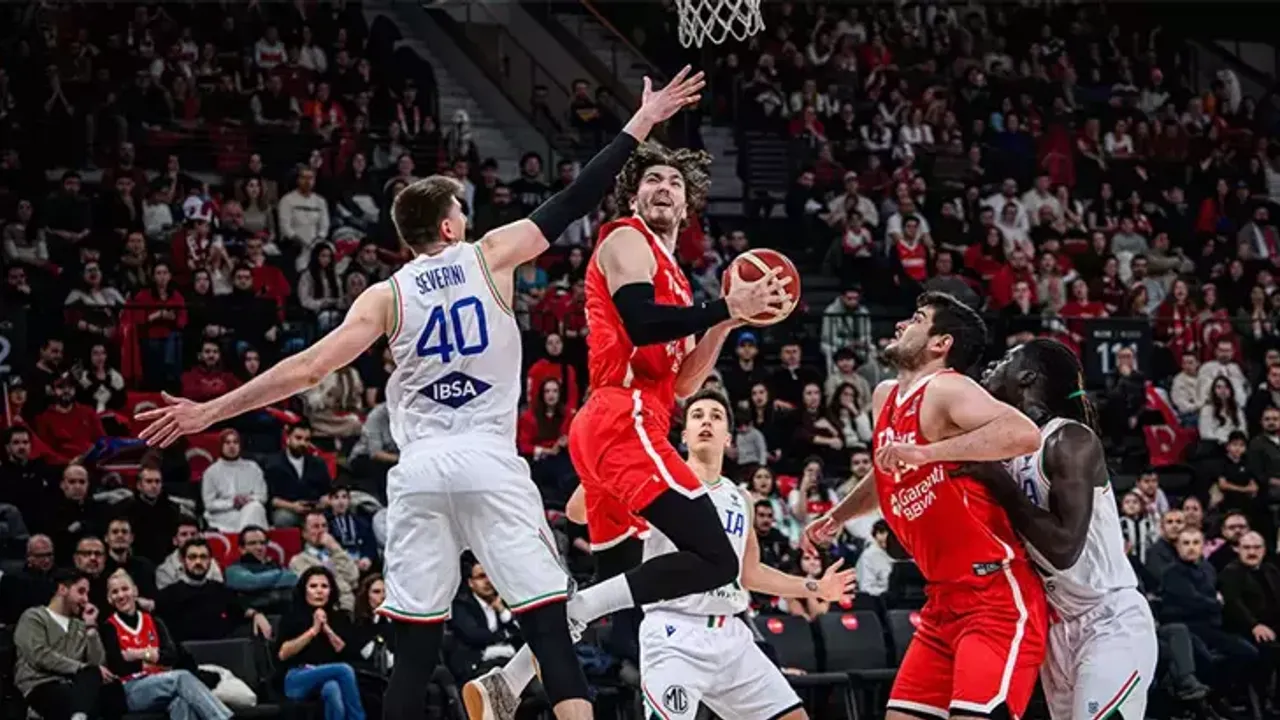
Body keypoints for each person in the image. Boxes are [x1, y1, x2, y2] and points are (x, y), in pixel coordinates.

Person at [136, 68, 708, 720]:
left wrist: (208, 412)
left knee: (413, 651)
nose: (469, 217)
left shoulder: (386, 296)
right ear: (447, 227)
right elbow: (579, 195)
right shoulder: (489, 255)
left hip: (421, 472)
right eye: (461, 210)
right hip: (488, 462)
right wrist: (643, 120)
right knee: (550, 631)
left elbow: (307, 369)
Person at [480, 390, 854, 720]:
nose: (706, 421)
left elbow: (750, 573)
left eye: (716, 416)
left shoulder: (740, 497)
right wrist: (604, 474)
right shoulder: (659, 481)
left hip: (731, 633)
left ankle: (510, 679)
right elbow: (578, 512)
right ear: (684, 434)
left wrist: (815, 587)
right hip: (674, 632)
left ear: (728, 437)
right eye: (697, 415)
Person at [802, 291, 1049, 720]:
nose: (901, 325)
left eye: (916, 319)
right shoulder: (885, 397)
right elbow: (886, 472)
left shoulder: (946, 387)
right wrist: (838, 516)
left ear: (941, 343)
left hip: (994, 598)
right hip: (941, 602)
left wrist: (927, 453)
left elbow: (1024, 434)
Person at [966, 339, 1159, 720]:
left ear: (1027, 377)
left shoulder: (1068, 440)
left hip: (1109, 618)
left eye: (1005, 359)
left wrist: (1002, 486)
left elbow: (1064, 547)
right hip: (1056, 627)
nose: (990, 366)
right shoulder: (1005, 448)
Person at [100, 569, 233, 720]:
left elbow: (171, 656)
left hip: (162, 683)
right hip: (131, 689)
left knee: (181, 702)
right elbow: (119, 666)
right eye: (115, 592)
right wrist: (154, 656)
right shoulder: (108, 627)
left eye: (125, 589)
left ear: (135, 591)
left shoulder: (154, 621)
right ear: (109, 598)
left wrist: (140, 654)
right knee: (182, 677)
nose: (121, 595)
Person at [13, 568, 116, 720]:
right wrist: (81, 667)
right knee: (74, 694)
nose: (86, 599)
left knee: (113, 690)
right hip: (41, 685)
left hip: (75, 686)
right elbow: (39, 655)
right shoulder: (34, 617)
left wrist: (91, 628)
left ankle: (79, 715)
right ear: (62, 589)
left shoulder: (80, 626)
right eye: (81, 592)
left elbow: (98, 666)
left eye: (87, 594)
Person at [275, 566, 366, 720]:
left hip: (329, 677)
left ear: (331, 591)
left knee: (332, 689)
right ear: (304, 590)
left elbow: (345, 651)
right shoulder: (292, 616)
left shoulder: (340, 617)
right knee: (343, 670)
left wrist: (326, 629)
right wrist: (313, 630)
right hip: (297, 677)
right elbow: (283, 654)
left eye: (324, 586)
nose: (319, 591)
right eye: (313, 586)